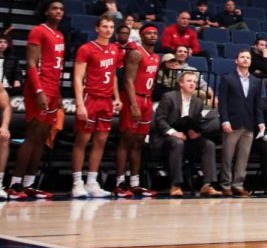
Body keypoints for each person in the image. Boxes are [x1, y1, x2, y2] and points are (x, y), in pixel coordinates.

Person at [7, 0, 66, 200]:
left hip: (52, 88)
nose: (58, 11)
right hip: (37, 88)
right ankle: (14, 184)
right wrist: (39, 90)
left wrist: (57, 93)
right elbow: (31, 63)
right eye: (54, 8)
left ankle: (29, 183)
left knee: (42, 137)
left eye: (61, 9)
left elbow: (57, 68)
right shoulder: (38, 31)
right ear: (46, 11)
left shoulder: (60, 35)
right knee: (32, 135)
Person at [70, 15, 123, 199]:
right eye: (105, 26)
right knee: (82, 141)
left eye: (111, 26)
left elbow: (113, 74)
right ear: (97, 28)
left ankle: (92, 182)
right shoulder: (86, 49)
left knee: (100, 141)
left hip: (106, 100)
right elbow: (77, 78)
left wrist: (117, 96)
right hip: (90, 98)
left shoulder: (115, 49)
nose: (108, 29)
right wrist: (79, 104)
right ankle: (77, 182)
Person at [155, 71, 222, 198]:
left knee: (209, 145)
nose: (192, 84)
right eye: (189, 81)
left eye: (194, 82)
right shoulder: (169, 97)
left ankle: (207, 184)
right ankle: (176, 185)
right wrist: (174, 132)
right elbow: (160, 119)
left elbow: (197, 122)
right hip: (168, 137)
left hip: (187, 137)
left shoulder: (197, 102)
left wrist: (196, 131)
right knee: (178, 143)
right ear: (181, 83)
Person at [113, 18, 159, 199]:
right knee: (126, 140)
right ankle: (119, 182)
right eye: (149, 33)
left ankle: (135, 182)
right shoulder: (135, 53)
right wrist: (132, 103)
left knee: (139, 142)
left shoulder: (156, 57)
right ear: (141, 35)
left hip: (147, 99)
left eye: (155, 33)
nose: (152, 35)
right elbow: (128, 80)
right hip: (134, 98)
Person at [218, 49, 264, 197]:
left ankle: (238, 185)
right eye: (242, 57)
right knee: (227, 155)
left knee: (243, 157)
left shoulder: (256, 81)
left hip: (249, 123)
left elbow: (257, 104)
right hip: (232, 121)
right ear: (236, 60)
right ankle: (225, 185)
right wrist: (224, 119)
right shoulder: (227, 78)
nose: (245, 59)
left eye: (248, 58)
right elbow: (222, 102)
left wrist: (260, 121)